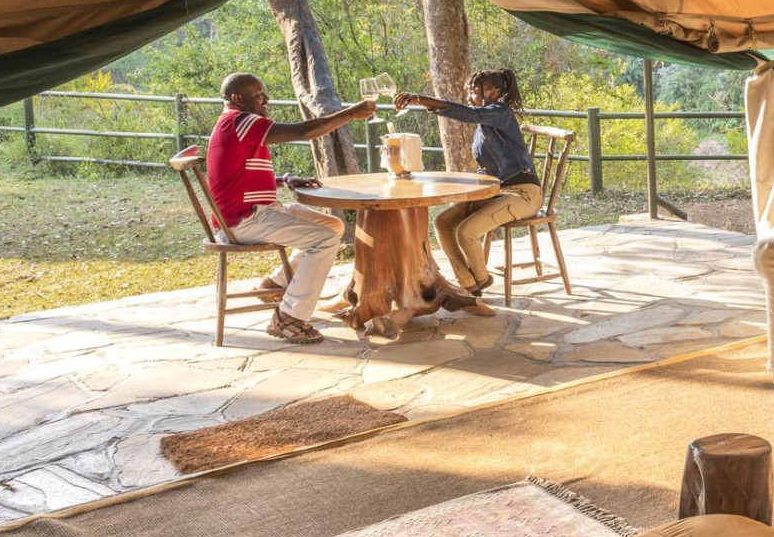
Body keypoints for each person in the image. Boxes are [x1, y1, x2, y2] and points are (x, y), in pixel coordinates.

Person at [206, 73, 375, 344]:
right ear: (238, 98)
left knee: (333, 226)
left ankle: (275, 284)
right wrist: (350, 114)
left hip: (257, 211)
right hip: (243, 220)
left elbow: (238, 175)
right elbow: (303, 131)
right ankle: (289, 317)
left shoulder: (233, 124)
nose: (265, 99)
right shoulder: (240, 121)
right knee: (324, 239)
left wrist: (284, 180)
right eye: (258, 95)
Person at [396, 70, 542, 295]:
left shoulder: (500, 111)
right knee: (443, 222)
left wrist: (418, 99)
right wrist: (475, 195)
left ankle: (480, 280)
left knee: (466, 232)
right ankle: (467, 282)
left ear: (492, 92)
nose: (469, 96)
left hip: (523, 194)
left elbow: (469, 113)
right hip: (496, 193)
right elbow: (485, 167)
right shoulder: (483, 126)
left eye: (473, 91)